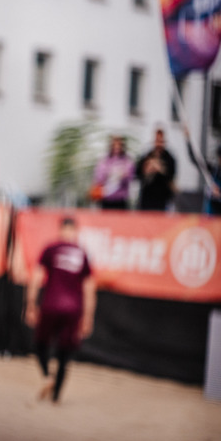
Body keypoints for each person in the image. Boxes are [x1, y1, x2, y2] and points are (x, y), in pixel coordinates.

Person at [23, 217, 96, 404]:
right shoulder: (82, 253)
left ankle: (48, 376)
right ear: (74, 231)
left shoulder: (51, 249)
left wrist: (31, 303)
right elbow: (89, 288)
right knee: (65, 352)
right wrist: (88, 316)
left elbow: (37, 277)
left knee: (40, 345)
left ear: (61, 230)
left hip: (51, 305)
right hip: (73, 309)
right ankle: (56, 396)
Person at [136, 128, 176, 211]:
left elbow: (172, 176)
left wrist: (160, 169)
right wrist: (147, 169)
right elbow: (138, 174)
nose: (159, 144)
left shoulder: (169, 158)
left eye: (161, 141)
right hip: (146, 199)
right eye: (157, 141)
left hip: (162, 199)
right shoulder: (147, 156)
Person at [91, 135, 134, 210]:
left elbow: (131, 178)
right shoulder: (104, 161)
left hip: (121, 200)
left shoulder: (127, 161)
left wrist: (123, 176)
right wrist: (108, 174)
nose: (117, 147)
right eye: (114, 144)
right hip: (106, 199)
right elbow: (98, 178)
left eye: (119, 144)